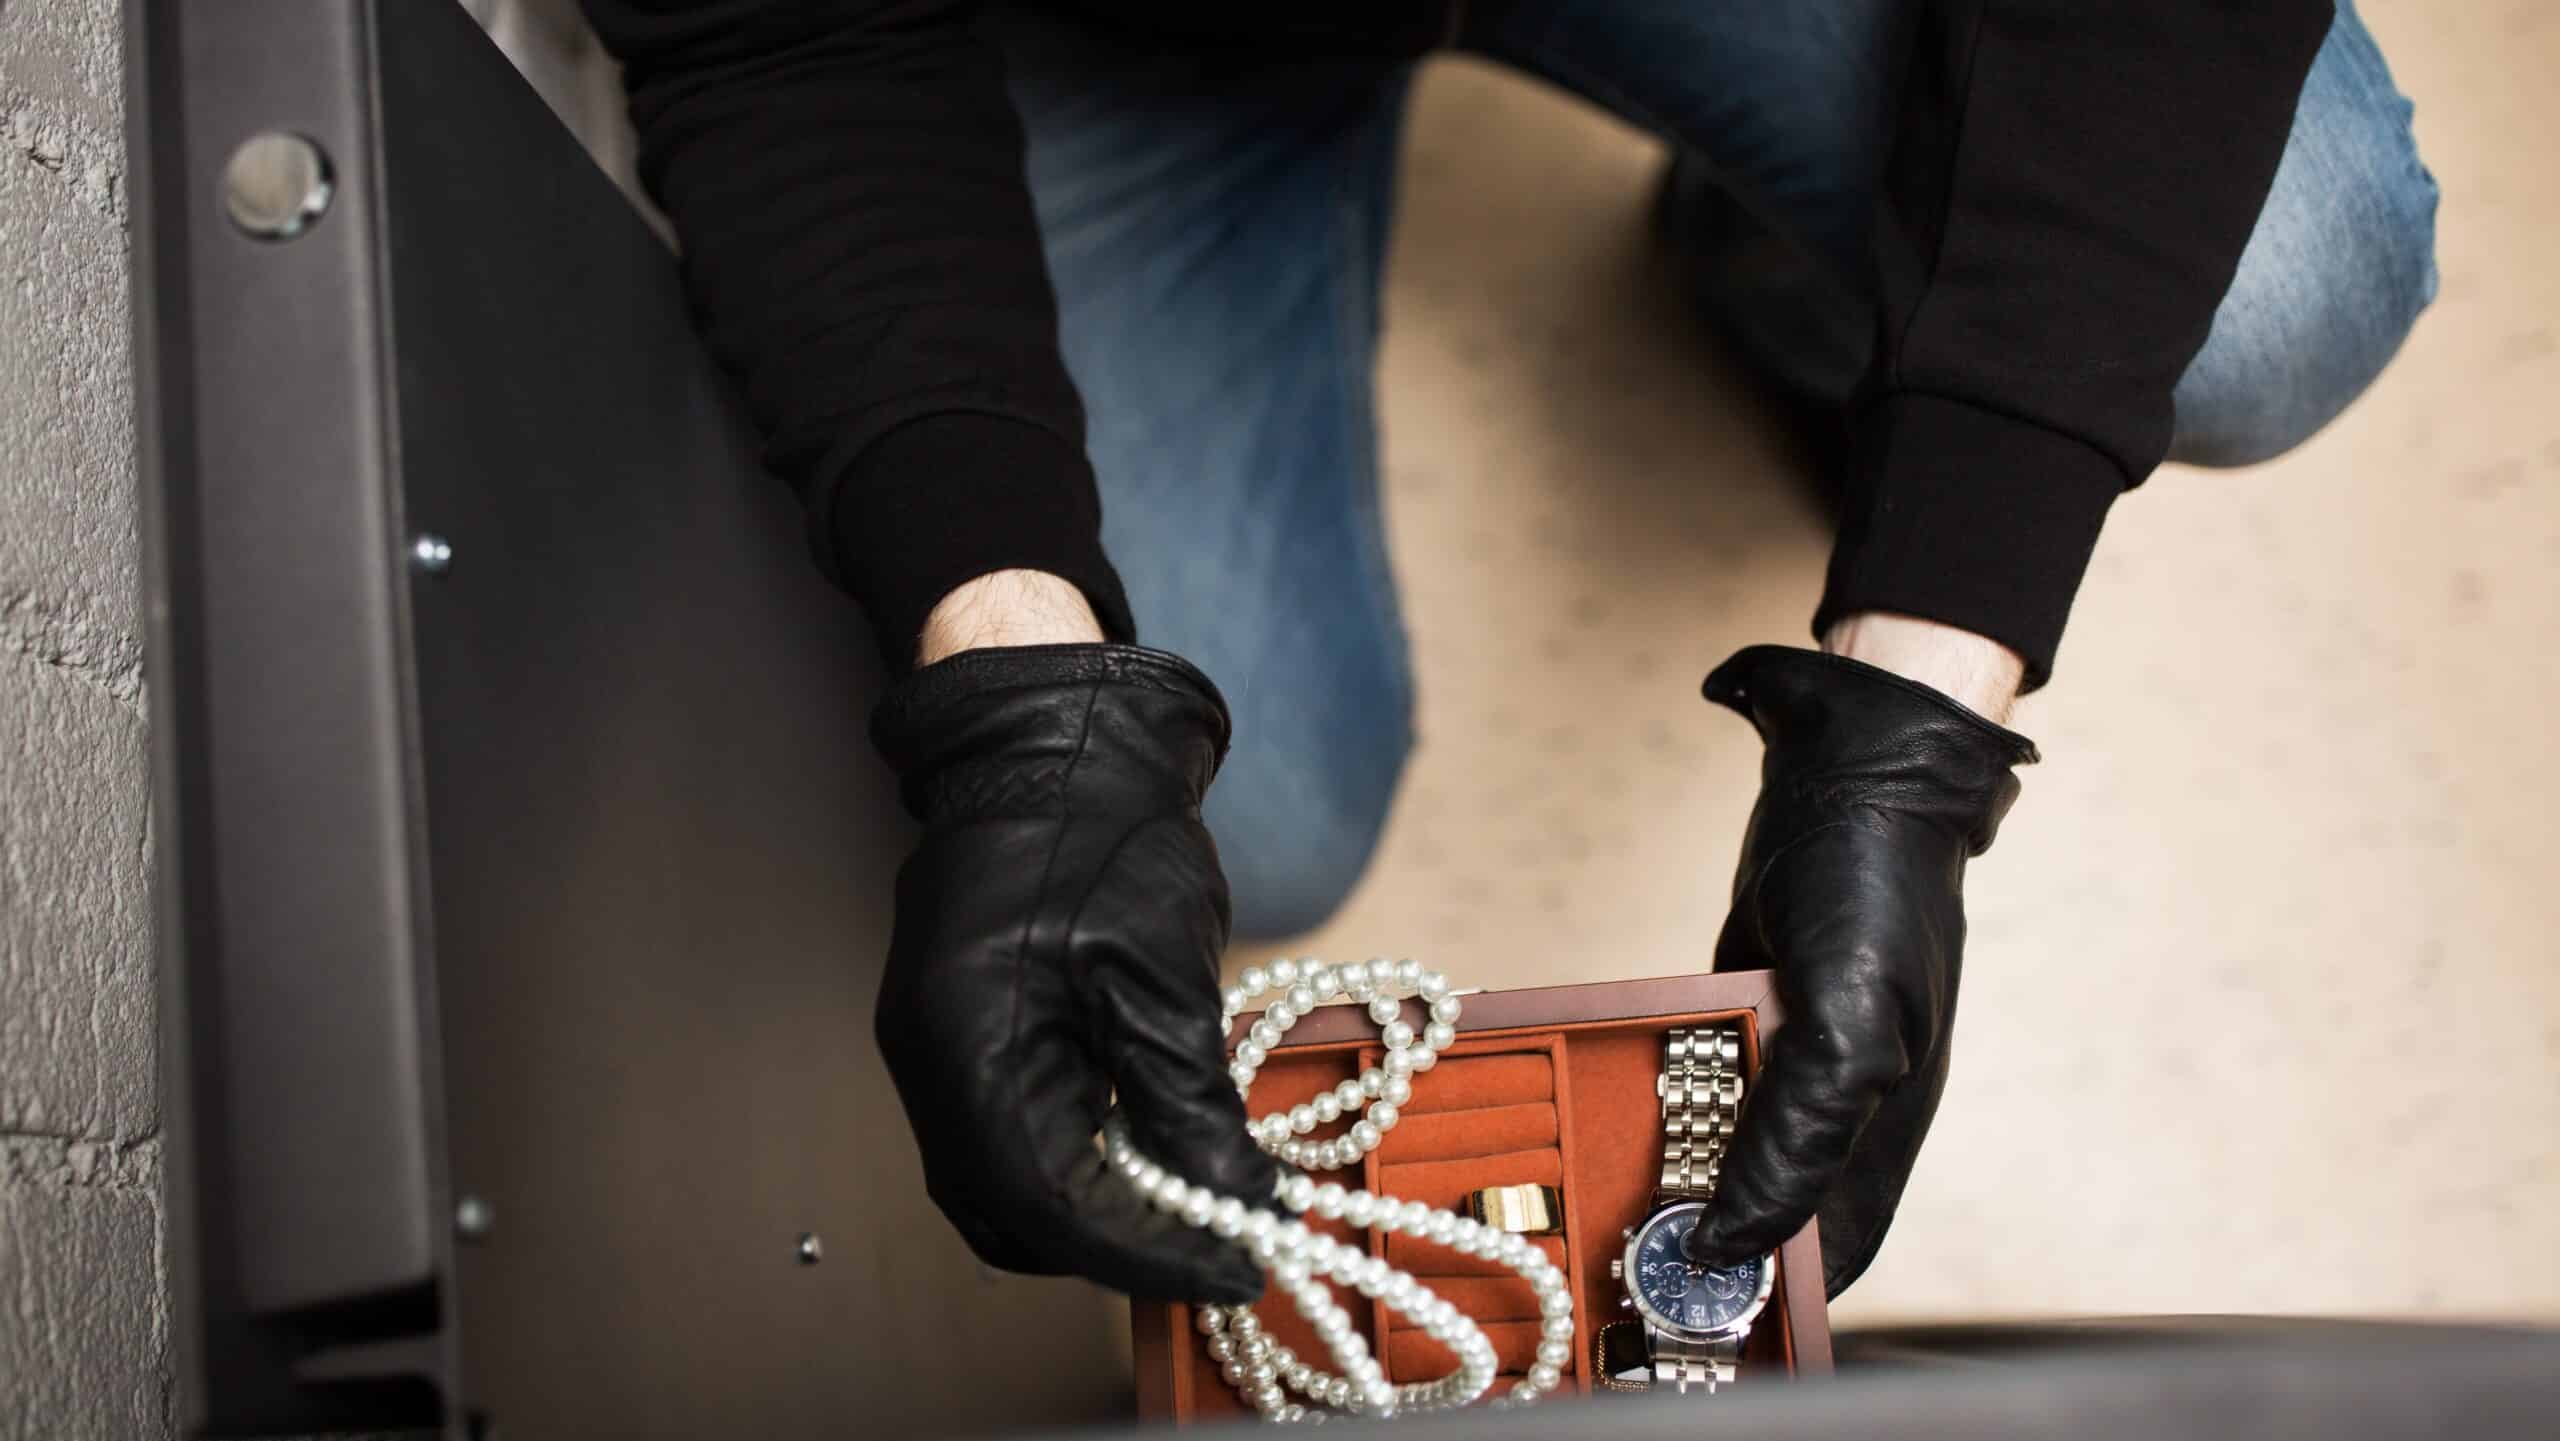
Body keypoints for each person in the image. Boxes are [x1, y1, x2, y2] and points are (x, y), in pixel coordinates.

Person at [576, 1, 2437, 1304]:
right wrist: (1014, 688)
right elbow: (781, 30)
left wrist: (1924, 697)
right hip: (1123, 30)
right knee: (1274, 815)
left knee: (2279, 282)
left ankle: (1820, 297)